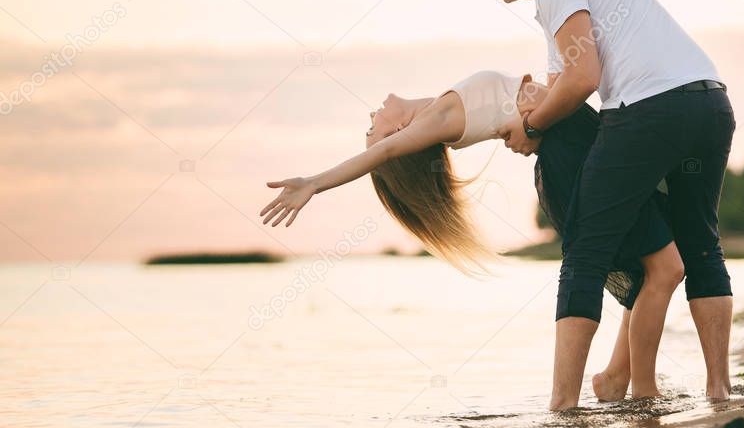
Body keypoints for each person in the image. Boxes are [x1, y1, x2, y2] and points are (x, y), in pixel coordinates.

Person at [259, 69, 684, 404]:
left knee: (660, 267)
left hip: (575, 135)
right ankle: (622, 392)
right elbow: (382, 154)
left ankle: (617, 379)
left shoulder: (439, 106)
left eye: (368, 131)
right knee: (664, 266)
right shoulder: (437, 120)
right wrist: (315, 182)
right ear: (396, 138)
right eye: (372, 132)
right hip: (570, 150)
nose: (370, 121)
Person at [460, 0, 736, 410]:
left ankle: (562, 405)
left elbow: (583, 78)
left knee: (585, 248)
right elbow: (555, 89)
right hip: (710, 103)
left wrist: (531, 125)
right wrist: (527, 117)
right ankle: (719, 390)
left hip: (651, 109)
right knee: (700, 245)